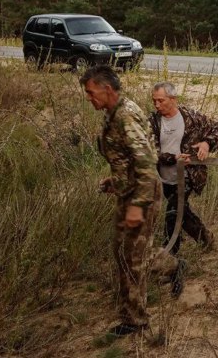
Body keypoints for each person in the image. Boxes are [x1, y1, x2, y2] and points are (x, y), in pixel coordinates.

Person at [80, 65, 162, 337]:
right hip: (128, 191)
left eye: (92, 93)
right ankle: (171, 267)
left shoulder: (125, 116)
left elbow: (147, 164)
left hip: (143, 194)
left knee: (133, 257)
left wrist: (138, 205)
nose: (89, 98)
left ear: (108, 89)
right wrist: (114, 181)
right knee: (122, 250)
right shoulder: (112, 114)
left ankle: (136, 320)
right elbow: (127, 159)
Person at [149, 82, 218, 297]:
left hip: (189, 177)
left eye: (161, 100)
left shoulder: (190, 117)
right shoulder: (152, 123)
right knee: (183, 213)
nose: (157, 105)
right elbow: (150, 151)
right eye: (154, 100)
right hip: (166, 178)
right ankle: (205, 238)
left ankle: (169, 261)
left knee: (173, 214)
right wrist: (172, 158)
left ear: (173, 99)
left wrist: (206, 144)